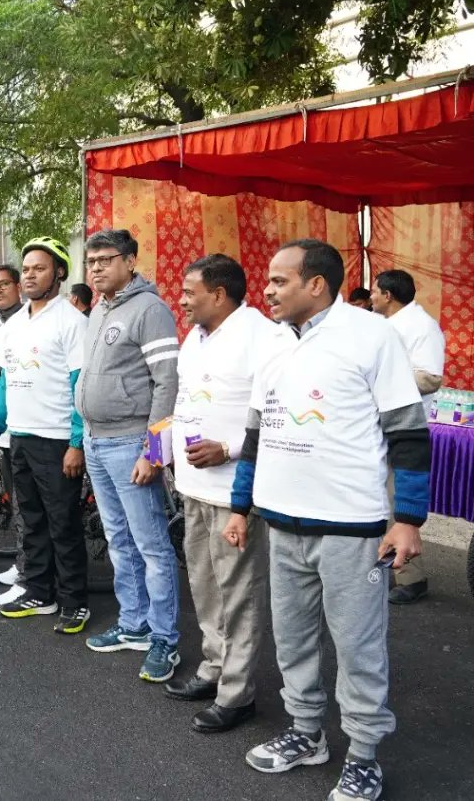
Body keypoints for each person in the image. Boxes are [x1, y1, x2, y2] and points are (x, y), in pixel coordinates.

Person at [223, 239, 429, 801]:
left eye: (279, 280)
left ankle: (363, 755)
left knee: (359, 647)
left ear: (316, 284)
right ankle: (306, 732)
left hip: (351, 528)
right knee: (293, 641)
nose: (267, 290)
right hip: (283, 525)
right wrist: (240, 506)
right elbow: (256, 434)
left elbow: (409, 434)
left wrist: (408, 518)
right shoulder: (272, 344)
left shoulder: (371, 336)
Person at [166, 254, 271, 733]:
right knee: (205, 587)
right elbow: (184, 399)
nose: (182, 301)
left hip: (234, 495)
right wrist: (161, 449)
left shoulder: (261, 337)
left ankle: (237, 693)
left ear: (220, 294)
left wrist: (228, 449)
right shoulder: (195, 337)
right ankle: (213, 668)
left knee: (239, 595)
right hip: (193, 488)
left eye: (190, 292)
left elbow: (274, 417)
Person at [77, 229, 181, 683]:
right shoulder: (99, 309)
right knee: (118, 540)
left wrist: (153, 453)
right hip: (96, 441)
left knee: (152, 545)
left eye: (106, 259)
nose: (97, 267)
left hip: (131, 444)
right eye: (91, 261)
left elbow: (167, 383)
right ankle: (134, 624)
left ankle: (165, 639)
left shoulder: (150, 310)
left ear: (130, 261)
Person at [0, 237, 89, 634]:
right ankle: (40, 593)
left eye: (38, 268)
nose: (29, 275)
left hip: (57, 440)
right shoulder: (12, 326)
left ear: (58, 273)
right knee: (32, 522)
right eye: (25, 268)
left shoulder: (72, 321)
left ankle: (75, 602)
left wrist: (76, 443)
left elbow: (80, 385)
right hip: (20, 438)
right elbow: (4, 381)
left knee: (63, 524)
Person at [368, 269, 445, 605]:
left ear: (388, 295)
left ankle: (412, 578)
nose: (370, 297)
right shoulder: (381, 324)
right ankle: (385, 568)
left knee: (397, 503)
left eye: (374, 291)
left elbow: (430, 378)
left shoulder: (422, 326)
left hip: (402, 428)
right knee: (375, 501)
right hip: (375, 427)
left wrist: (380, 377)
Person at [0, 264, 27, 603]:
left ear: (18, 287)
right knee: (17, 504)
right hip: (7, 430)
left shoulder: (27, 321)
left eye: (4, 284)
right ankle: (24, 563)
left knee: (29, 509)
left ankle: (30, 574)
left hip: (31, 429)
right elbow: (0, 381)